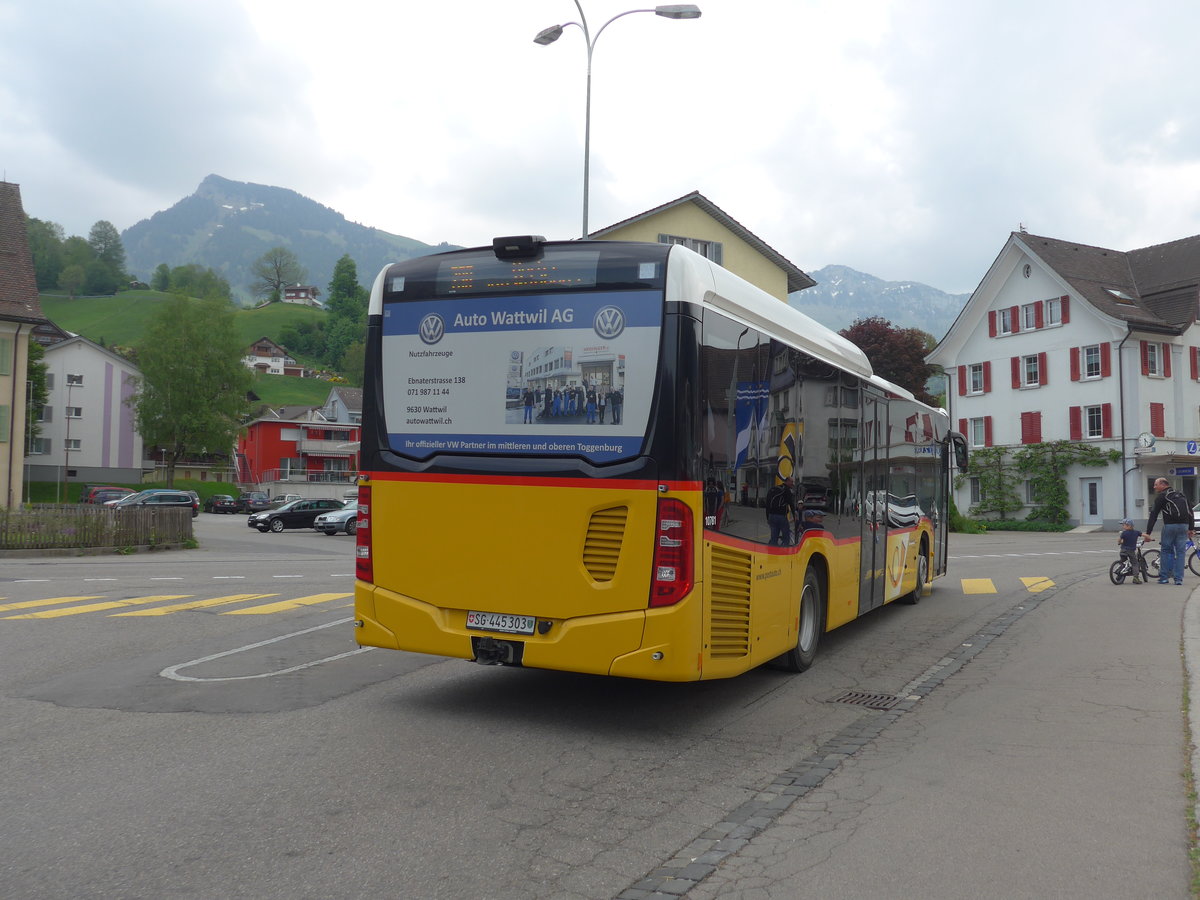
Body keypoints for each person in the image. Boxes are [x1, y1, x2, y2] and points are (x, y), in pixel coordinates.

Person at [1144, 477, 1194, 584]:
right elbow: (1190, 512)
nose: (1154, 487)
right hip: (1183, 526)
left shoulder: (1162, 496)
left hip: (1170, 526)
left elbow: (1153, 515)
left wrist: (1148, 533)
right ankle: (1178, 579)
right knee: (1180, 552)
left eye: (1156, 484)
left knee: (1166, 551)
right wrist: (1191, 528)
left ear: (1163, 484)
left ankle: (1164, 577)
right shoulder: (1181, 495)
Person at [764, 477, 795, 546]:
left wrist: (768, 517)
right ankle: (785, 549)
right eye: (791, 482)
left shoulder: (773, 489)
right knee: (786, 536)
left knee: (774, 536)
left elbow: (767, 504)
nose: (792, 484)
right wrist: (795, 516)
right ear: (787, 481)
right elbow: (791, 504)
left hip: (771, 516)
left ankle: (772, 549)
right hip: (781, 516)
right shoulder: (786, 490)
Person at [1117, 517, 1142, 584]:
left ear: (1129, 526)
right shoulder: (1136, 532)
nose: (1123, 526)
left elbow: (1119, 540)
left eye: (1124, 525)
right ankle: (1136, 578)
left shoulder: (1124, 533)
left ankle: (1119, 575)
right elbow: (1143, 534)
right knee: (1135, 563)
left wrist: (1119, 542)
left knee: (1122, 562)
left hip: (1123, 551)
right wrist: (1148, 538)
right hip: (1130, 551)